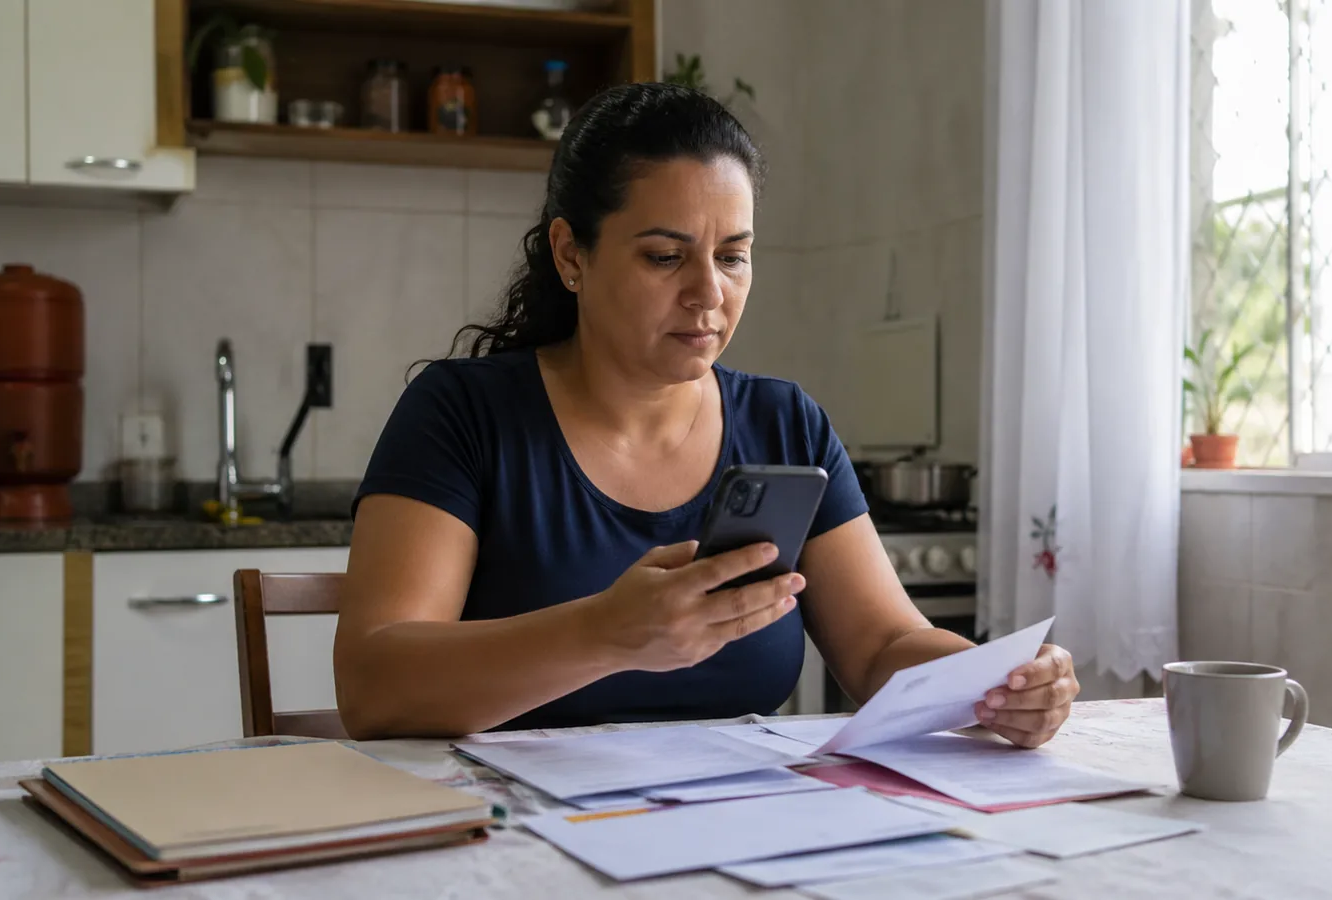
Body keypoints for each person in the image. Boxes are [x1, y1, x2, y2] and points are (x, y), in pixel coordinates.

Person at [332, 82, 1080, 745]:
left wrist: (1000, 686)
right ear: (571, 255)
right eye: (665, 257)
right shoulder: (461, 413)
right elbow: (373, 685)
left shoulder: (788, 425)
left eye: (732, 256)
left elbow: (883, 647)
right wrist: (605, 633)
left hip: (733, 831)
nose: (708, 293)